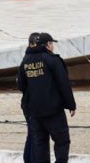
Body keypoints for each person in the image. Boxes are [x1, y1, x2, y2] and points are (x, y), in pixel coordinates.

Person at [17, 32, 76, 163]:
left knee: (40, 143)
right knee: (62, 141)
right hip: (53, 110)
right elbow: (63, 83)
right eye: (51, 44)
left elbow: (21, 85)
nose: (53, 47)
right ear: (48, 45)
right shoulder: (52, 59)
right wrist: (71, 105)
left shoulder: (25, 61)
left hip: (34, 111)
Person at [19, 32, 40, 163]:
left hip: (28, 102)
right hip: (31, 103)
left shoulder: (26, 60)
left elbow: (21, 84)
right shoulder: (30, 60)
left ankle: (28, 159)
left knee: (32, 134)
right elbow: (21, 84)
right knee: (34, 134)